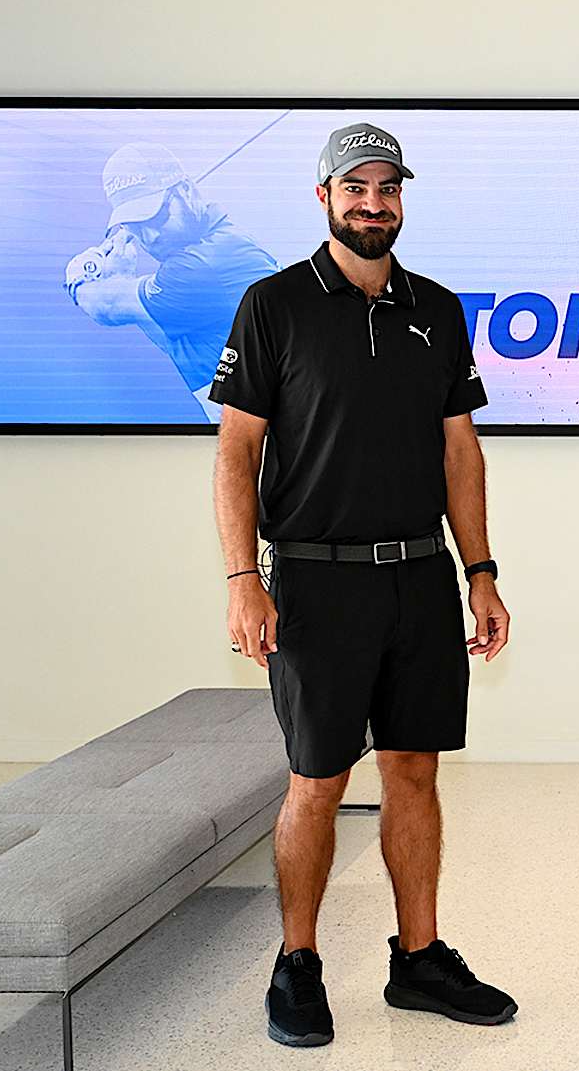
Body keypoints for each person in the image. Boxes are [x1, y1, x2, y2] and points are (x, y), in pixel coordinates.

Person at [207, 122, 514, 1048]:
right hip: (314, 582)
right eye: (356, 189)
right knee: (316, 781)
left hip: (420, 577)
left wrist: (482, 574)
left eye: (387, 188)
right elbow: (235, 451)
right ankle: (297, 963)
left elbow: (461, 450)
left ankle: (418, 957)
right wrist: (240, 578)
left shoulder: (439, 308)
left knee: (414, 772)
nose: (373, 204)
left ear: (402, 199)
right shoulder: (273, 304)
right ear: (325, 198)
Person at [64, 142, 279, 420]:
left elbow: (106, 307)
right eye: (135, 227)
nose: (150, 236)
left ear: (186, 192)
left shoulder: (201, 266)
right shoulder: (211, 255)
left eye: (156, 216)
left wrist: (79, 278)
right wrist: (123, 282)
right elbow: (167, 333)